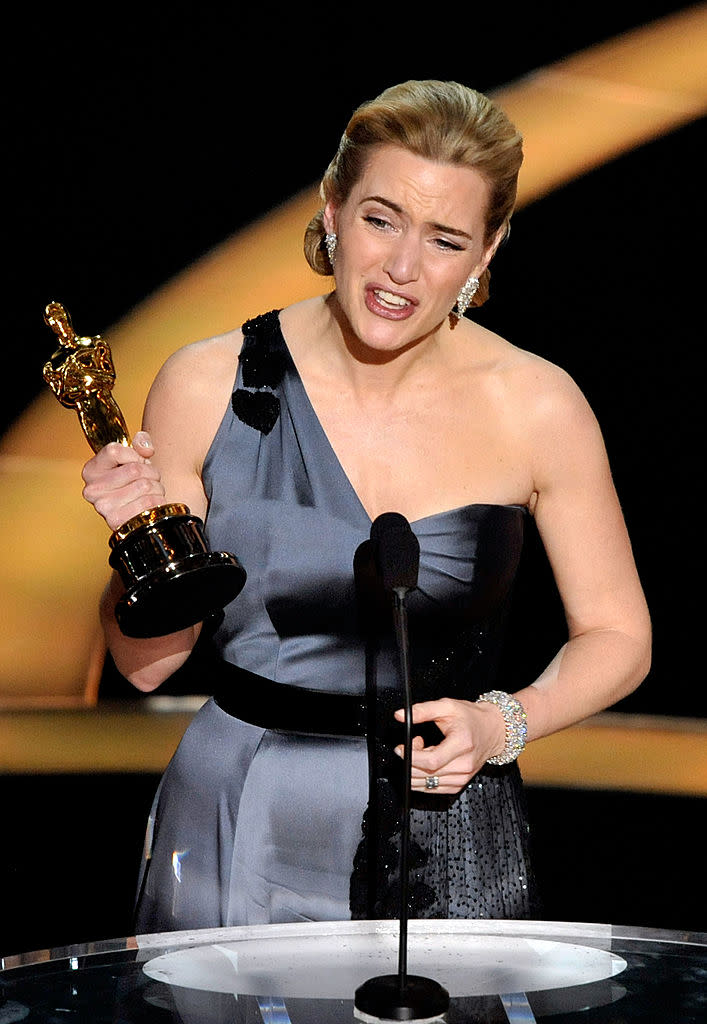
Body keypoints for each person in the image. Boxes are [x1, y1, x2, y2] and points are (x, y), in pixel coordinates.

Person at [81, 80, 651, 931]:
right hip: (243, 810)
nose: (403, 268)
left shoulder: (539, 404)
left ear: (487, 251)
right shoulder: (208, 381)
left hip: (446, 818)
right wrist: (139, 546)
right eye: (382, 218)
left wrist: (503, 726)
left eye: (446, 238)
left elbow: (619, 637)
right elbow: (146, 667)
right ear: (332, 209)